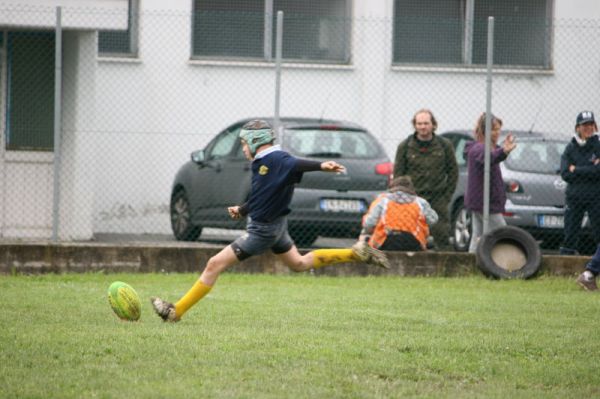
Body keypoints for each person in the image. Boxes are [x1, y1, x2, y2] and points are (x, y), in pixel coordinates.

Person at [151, 120, 390, 322]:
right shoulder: (263, 162)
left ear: (255, 141)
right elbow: (263, 195)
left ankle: (175, 312)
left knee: (214, 264)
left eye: (244, 143)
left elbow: (293, 163)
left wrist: (321, 165)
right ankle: (355, 254)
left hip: (263, 230)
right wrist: (243, 209)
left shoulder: (275, 159)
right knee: (299, 264)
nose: (243, 148)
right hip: (277, 228)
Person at [393, 109, 458, 250]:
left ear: (433, 125)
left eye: (426, 123)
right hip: (413, 198)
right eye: (419, 123)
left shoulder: (444, 145)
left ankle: (445, 268)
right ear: (415, 125)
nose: (423, 127)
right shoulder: (405, 146)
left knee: (442, 235)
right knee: (409, 235)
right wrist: (403, 197)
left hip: (438, 197)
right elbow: (398, 174)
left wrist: (447, 196)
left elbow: (453, 172)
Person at [464, 113, 516, 253]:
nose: (497, 133)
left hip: (484, 202)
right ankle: (508, 264)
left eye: (498, 129)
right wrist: (504, 151)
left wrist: (501, 150)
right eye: (493, 130)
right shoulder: (478, 149)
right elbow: (489, 158)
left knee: (478, 235)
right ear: (483, 131)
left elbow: (493, 155)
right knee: (503, 234)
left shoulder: (488, 147)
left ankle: (472, 264)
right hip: (484, 203)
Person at [359, 175, 438, 251]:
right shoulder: (420, 202)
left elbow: (369, 223)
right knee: (430, 240)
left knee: (365, 238)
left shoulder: (383, 201)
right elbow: (433, 220)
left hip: (386, 241)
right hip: (414, 241)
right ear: (411, 188)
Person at [559, 111, 600, 255]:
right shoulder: (570, 148)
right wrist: (590, 169)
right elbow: (565, 173)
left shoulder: (598, 146)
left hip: (595, 197)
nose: (588, 128)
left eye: (591, 125)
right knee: (570, 232)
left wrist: (576, 169)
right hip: (574, 197)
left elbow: (598, 172)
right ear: (577, 128)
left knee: (598, 231)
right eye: (584, 125)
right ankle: (566, 263)